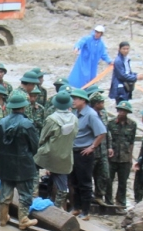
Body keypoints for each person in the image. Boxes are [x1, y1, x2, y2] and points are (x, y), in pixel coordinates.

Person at [0, 91, 40, 230]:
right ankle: (23, 219)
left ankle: (3, 218)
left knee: (5, 191)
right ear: (23, 107)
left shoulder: (2, 122)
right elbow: (35, 145)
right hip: (23, 164)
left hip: (5, 163)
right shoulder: (27, 124)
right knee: (25, 193)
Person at [34, 91, 77, 209]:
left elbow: (42, 138)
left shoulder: (51, 119)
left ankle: (33, 195)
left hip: (49, 154)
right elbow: (74, 136)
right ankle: (58, 207)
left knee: (33, 167)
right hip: (66, 156)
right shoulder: (74, 119)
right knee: (62, 184)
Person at [70, 88, 106, 218]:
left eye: (76, 99)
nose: (73, 101)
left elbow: (102, 132)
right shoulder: (75, 113)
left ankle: (86, 211)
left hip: (84, 153)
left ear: (83, 100)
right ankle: (76, 207)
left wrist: (92, 147)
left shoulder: (91, 114)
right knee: (74, 181)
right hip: (73, 151)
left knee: (85, 182)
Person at [106, 100, 137, 209]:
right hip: (112, 157)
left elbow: (132, 142)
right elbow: (107, 140)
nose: (122, 112)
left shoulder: (132, 125)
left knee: (123, 181)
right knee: (109, 180)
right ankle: (109, 201)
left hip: (124, 158)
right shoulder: (111, 123)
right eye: (120, 110)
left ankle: (121, 201)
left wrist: (130, 157)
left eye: (124, 111)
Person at [88, 89, 112, 206]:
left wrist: (109, 147)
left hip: (102, 150)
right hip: (92, 150)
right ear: (96, 104)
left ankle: (99, 195)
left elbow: (107, 131)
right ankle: (88, 196)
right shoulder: (89, 115)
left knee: (104, 174)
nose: (103, 104)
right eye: (101, 102)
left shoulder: (104, 114)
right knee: (88, 174)